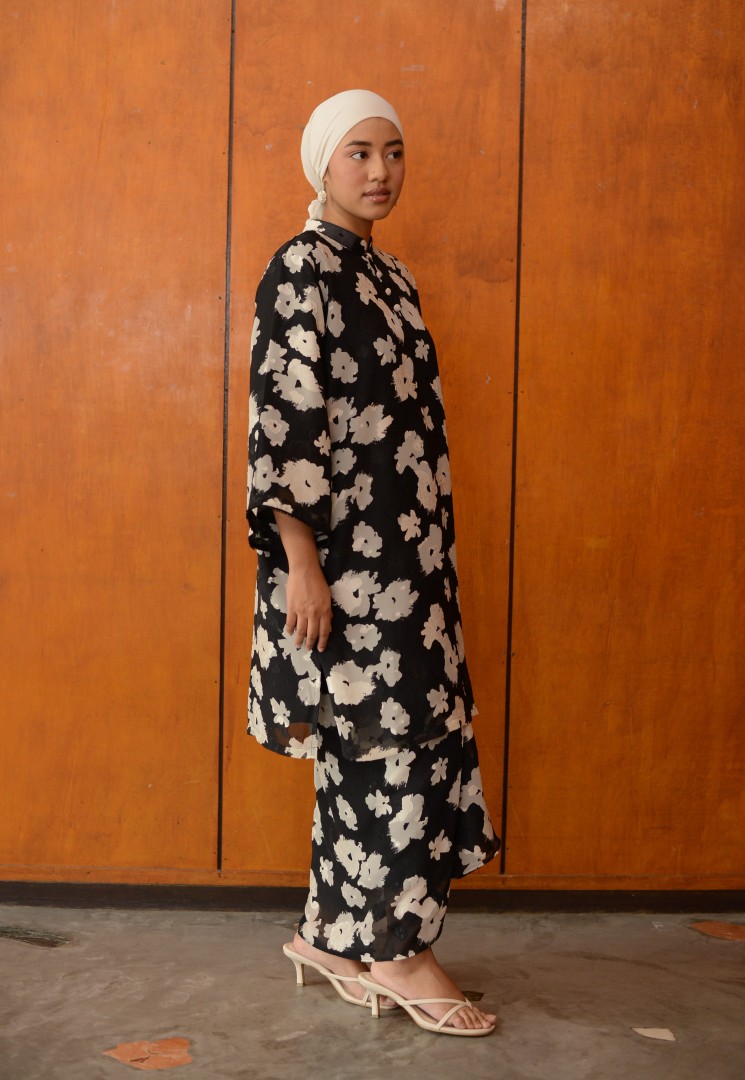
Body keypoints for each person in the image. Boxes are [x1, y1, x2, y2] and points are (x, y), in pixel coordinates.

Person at [247, 89, 499, 1036]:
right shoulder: (298, 269)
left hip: (413, 559)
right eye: (358, 152)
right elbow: (285, 423)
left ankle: (327, 936)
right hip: (347, 568)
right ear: (322, 162)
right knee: (391, 750)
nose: (380, 170)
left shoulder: (391, 275)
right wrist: (301, 566)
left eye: (393, 152)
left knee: (375, 748)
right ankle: (399, 953)